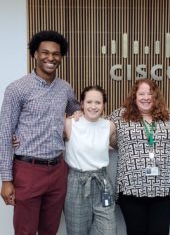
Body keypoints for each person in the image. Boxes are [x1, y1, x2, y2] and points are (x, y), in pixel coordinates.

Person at [0, 30, 80, 235]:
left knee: (50, 230)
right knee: (25, 231)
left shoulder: (65, 88)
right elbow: (5, 133)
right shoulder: (17, 89)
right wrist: (6, 180)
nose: (50, 58)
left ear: (61, 57)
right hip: (28, 169)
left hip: (58, 169)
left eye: (56, 53)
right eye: (45, 52)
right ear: (35, 54)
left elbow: (78, 112)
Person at [109, 79, 170, 235]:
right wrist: (79, 114)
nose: (146, 97)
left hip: (163, 188)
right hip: (131, 188)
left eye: (150, 93)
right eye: (141, 93)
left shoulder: (168, 116)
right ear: (134, 96)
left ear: (156, 96)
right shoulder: (120, 115)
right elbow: (98, 129)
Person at [64, 85, 117, 235]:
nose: (93, 106)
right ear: (81, 104)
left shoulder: (110, 126)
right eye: (89, 102)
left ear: (104, 105)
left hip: (103, 182)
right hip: (76, 184)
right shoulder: (69, 124)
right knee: (77, 232)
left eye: (98, 103)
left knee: (109, 231)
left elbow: (119, 145)